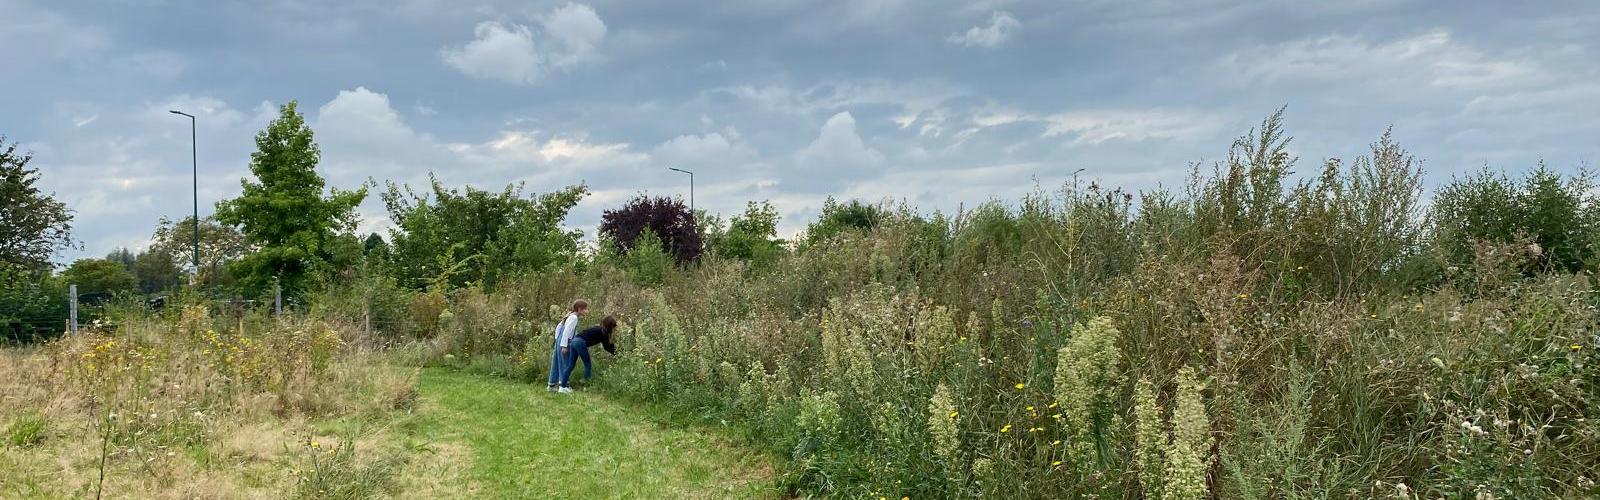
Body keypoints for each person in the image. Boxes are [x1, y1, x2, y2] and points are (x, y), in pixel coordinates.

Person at [561, 315, 618, 390]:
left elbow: (607, 345)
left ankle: (562, 387)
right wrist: (617, 354)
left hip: (574, 341)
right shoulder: (603, 332)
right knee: (587, 364)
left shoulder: (598, 329)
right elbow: (607, 346)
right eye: (613, 327)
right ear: (610, 326)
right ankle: (586, 386)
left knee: (571, 365)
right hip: (580, 342)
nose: (614, 329)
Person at [547, 300, 586, 393]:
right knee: (565, 363)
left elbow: (559, 327)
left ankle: (552, 385)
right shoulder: (574, 318)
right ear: (579, 309)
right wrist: (564, 345)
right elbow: (567, 331)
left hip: (559, 340)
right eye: (585, 309)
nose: (586, 311)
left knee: (556, 362)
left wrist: (557, 340)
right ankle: (563, 387)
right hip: (565, 342)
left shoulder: (569, 315)